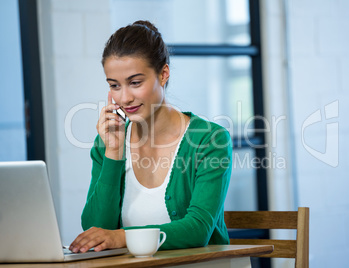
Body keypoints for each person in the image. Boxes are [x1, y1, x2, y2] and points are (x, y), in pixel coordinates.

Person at [69, 20, 232, 253]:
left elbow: (198, 229)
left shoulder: (210, 139)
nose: (124, 98)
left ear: (163, 74)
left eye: (135, 83)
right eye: (115, 86)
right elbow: (97, 230)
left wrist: (122, 237)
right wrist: (113, 155)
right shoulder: (106, 142)